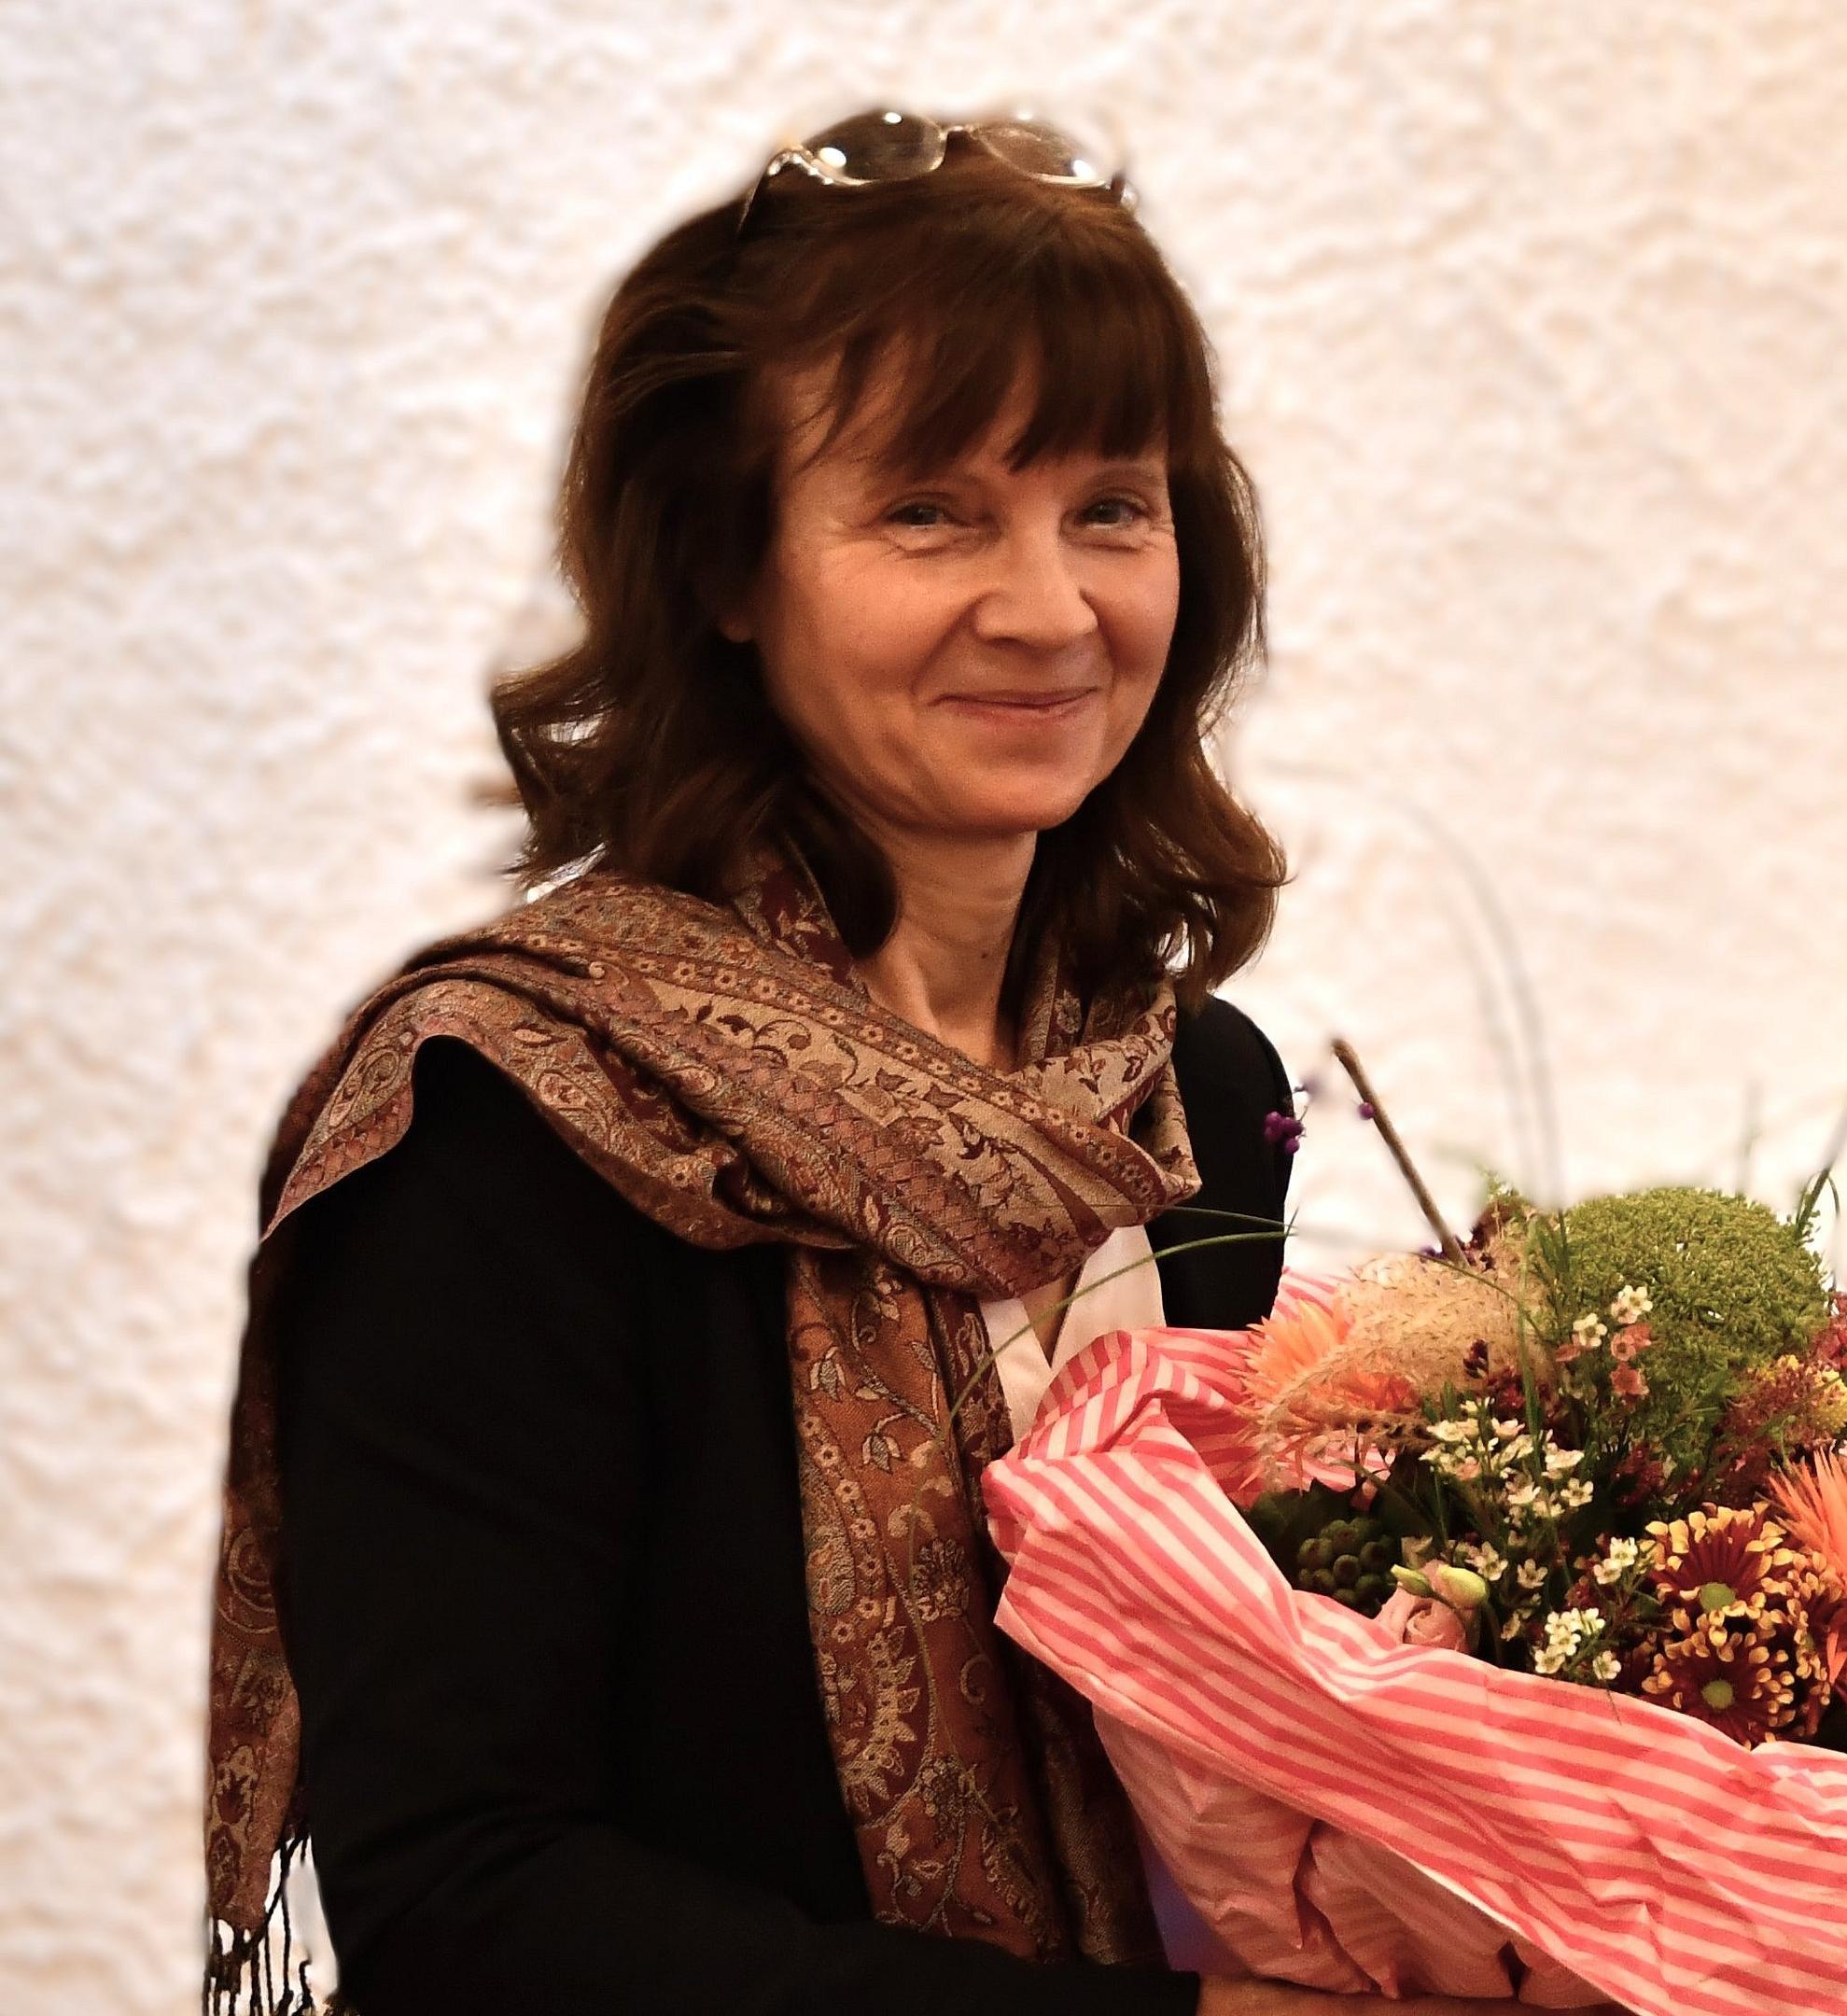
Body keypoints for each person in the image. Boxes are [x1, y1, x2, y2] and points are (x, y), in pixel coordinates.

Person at [202, 115, 1520, 2016]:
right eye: (930, 511)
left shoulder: (1186, 1090)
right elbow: (463, 1896)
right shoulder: (511, 1118)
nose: (1052, 607)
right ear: (727, 565)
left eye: (1110, 506)